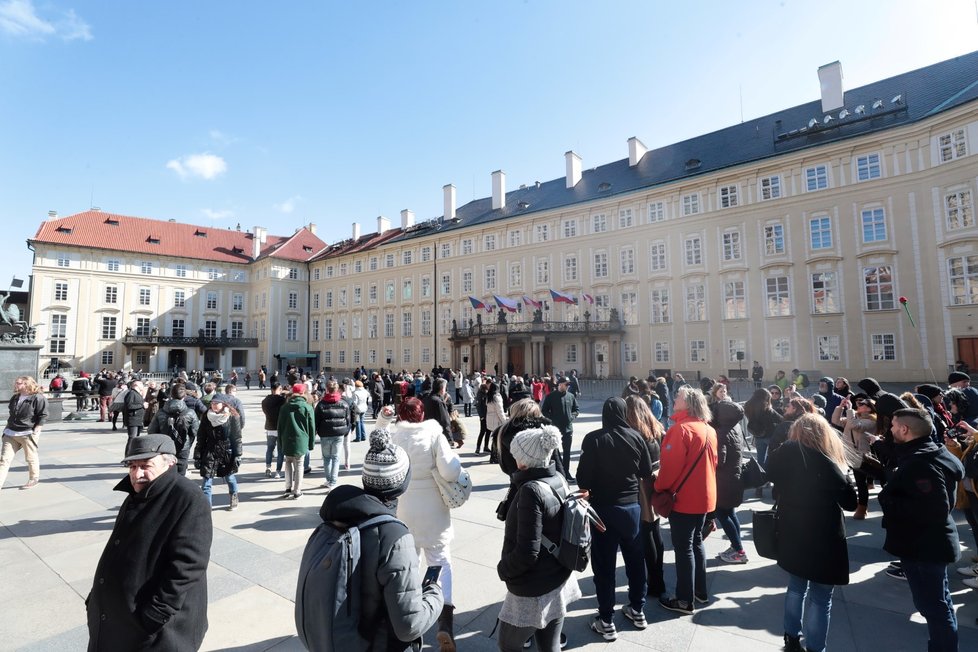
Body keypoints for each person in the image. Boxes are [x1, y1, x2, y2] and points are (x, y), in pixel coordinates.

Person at [318, 429, 445, 650]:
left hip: (343, 636)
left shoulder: (336, 517)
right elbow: (409, 626)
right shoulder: (394, 537)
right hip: (379, 643)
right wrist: (435, 594)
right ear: (402, 483)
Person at [86, 434, 211, 651]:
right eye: (132, 466)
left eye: (145, 465)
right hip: (117, 621)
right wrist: (95, 600)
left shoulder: (188, 498)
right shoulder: (137, 494)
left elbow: (189, 565)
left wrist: (155, 614)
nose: (137, 474)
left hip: (155, 632)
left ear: (170, 462)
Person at [766, 414, 857, 652]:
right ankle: (815, 647)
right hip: (825, 537)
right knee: (821, 597)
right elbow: (850, 502)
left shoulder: (785, 455)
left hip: (794, 532)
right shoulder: (829, 462)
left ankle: (791, 637)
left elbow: (769, 470)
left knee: (796, 588)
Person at [879, 408, 964, 651]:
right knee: (940, 604)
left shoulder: (919, 463)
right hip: (929, 544)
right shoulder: (932, 452)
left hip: (925, 547)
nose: (891, 430)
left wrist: (890, 500)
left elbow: (935, 508)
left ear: (905, 430)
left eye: (894, 426)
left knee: (933, 608)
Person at [496, 425, 580, 652]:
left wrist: (504, 569)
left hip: (534, 587)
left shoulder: (531, 491)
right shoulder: (559, 479)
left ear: (523, 459)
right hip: (557, 577)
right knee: (549, 645)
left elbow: (527, 552)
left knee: (507, 644)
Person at [577, 397, 653, 640]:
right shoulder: (636, 436)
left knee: (605, 565)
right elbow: (646, 471)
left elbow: (583, 480)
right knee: (635, 559)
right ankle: (637, 609)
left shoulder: (594, 439)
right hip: (631, 508)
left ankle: (606, 619)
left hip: (603, 510)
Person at [391, 396, 463, 652]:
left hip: (404, 508)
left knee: (409, 565)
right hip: (433, 509)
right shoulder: (434, 434)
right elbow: (450, 472)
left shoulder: (394, 436)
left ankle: (408, 624)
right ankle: (445, 623)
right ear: (422, 415)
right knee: (441, 562)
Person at [654, 386, 718, 615]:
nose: (674, 399)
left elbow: (670, 468)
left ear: (688, 403)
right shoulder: (708, 429)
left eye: (678, 397)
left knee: (684, 548)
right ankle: (700, 591)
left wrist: (658, 487)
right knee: (697, 542)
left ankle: (684, 600)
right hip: (705, 496)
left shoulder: (681, 430)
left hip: (684, 499)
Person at [625, 395, 666, 600]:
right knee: (654, 531)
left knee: (646, 533)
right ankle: (658, 578)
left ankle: (654, 582)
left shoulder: (635, 432)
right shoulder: (656, 427)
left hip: (642, 484)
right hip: (656, 481)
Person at [712, 399, 748, 564]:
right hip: (734, 478)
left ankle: (739, 550)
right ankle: (736, 546)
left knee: (722, 514)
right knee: (730, 513)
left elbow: (720, 460)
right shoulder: (736, 426)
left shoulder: (721, 432)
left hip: (724, 481)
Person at [830, 395, 878, 520]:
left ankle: (862, 508)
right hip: (849, 454)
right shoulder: (854, 417)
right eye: (859, 403)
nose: (859, 405)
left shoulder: (872, 420)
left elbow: (855, 426)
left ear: (869, 409)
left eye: (862, 404)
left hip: (861, 455)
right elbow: (835, 421)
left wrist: (850, 409)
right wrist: (840, 407)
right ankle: (860, 507)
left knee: (863, 481)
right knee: (857, 481)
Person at [193, 396, 242, 510]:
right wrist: (197, 456)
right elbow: (201, 437)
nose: (214, 405)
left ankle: (234, 495)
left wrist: (237, 455)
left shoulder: (232, 417)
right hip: (210, 451)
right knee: (206, 483)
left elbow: (237, 438)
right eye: (212, 403)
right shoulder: (206, 416)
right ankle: (207, 509)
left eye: (217, 403)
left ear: (224, 404)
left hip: (227, 452)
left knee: (229, 478)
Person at [0, 376, 49, 491]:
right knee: (4, 460)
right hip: (10, 432)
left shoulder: (38, 397)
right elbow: (12, 414)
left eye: (19, 383)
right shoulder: (15, 397)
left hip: (27, 433)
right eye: (16, 382)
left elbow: (43, 414)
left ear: (27, 384)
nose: (16, 384)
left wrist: (37, 429)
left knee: (31, 457)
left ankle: (33, 478)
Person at [147, 383, 200, 476]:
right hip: (183, 446)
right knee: (180, 474)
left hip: (164, 446)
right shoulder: (190, 413)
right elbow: (195, 432)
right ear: (184, 396)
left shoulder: (160, 412)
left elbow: (151, 431)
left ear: (171, 395)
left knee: (165, 472)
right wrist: (188, 443)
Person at [278, 383, 316, 499]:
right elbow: (311, 427)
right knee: (299, 465)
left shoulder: (284, 407)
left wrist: (280, 442)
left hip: (287, 439)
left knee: (288, 462)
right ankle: (297, 490)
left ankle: (288, 488)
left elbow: (279, 427)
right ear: (303, 393)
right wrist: (311, 443)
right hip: (301, 440)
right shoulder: (307, 407)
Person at [315, 380, 353, 491]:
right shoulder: (344, 403)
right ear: (337, 389)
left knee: (327, 458)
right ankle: (333, 482)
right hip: (338, 434)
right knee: (335, 458)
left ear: (327, 389)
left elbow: (316, 420)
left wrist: (317, 430)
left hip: (325, 434)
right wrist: (346, 430)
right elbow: (348, 419)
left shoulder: (321, 404)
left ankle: (329, 480)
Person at [541, 377, 580, 482]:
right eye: (566, 384)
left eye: (568, 385)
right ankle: (557, 472)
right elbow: (544, 411)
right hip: (555, 430)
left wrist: (572, 417)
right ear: (560, 384)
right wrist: (553, 419)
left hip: (568, 429)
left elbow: (576, 409)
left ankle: (566, 473)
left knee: (567, 453)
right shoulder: (551, 397)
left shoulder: (571, 396)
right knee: (554, 453)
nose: (568, 386)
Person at [261, 382, 286, 478]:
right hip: (280, 427)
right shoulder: (283, 400)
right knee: (280, 451)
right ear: (279, 388)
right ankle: (278, 472)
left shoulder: (265, 401)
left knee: (270, 449)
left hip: (270, 427)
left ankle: (268, 467)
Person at [482, 380, 507, 456]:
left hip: (490, 419)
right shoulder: (496, 397)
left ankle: (493, 456)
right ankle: (494, 456)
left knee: (494, 438)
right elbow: (500, 411)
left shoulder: (489, 396)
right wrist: (504, 421)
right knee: (497, 439)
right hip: (496, 420)